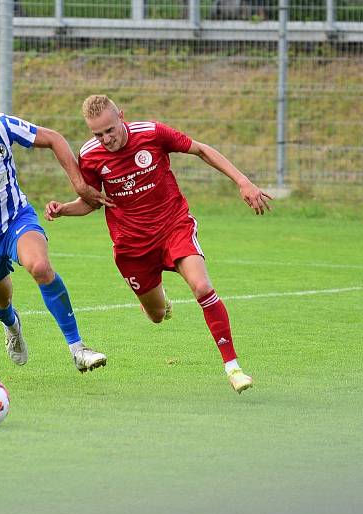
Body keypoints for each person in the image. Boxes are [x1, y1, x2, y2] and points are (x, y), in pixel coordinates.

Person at [45, 95, 272, 392]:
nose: (106, 139)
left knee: (202, 287)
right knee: (156, 316)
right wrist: (63, 209)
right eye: (97, 134)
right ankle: (160, 298)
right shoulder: (90, 156)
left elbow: (201, 150)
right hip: (132, 246)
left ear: (121, 116)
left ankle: (233, 367)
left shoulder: (152, 133)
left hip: (172, 227)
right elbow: (92, 203)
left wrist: (243, 181)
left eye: (110, 130)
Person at [0, 77, 110, 373]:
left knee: (39, 267)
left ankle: (78, 349)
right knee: (1, 299)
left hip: (15, 218)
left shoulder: (3, 125)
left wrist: (80, 185)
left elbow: (54, 139)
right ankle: (12, 326)